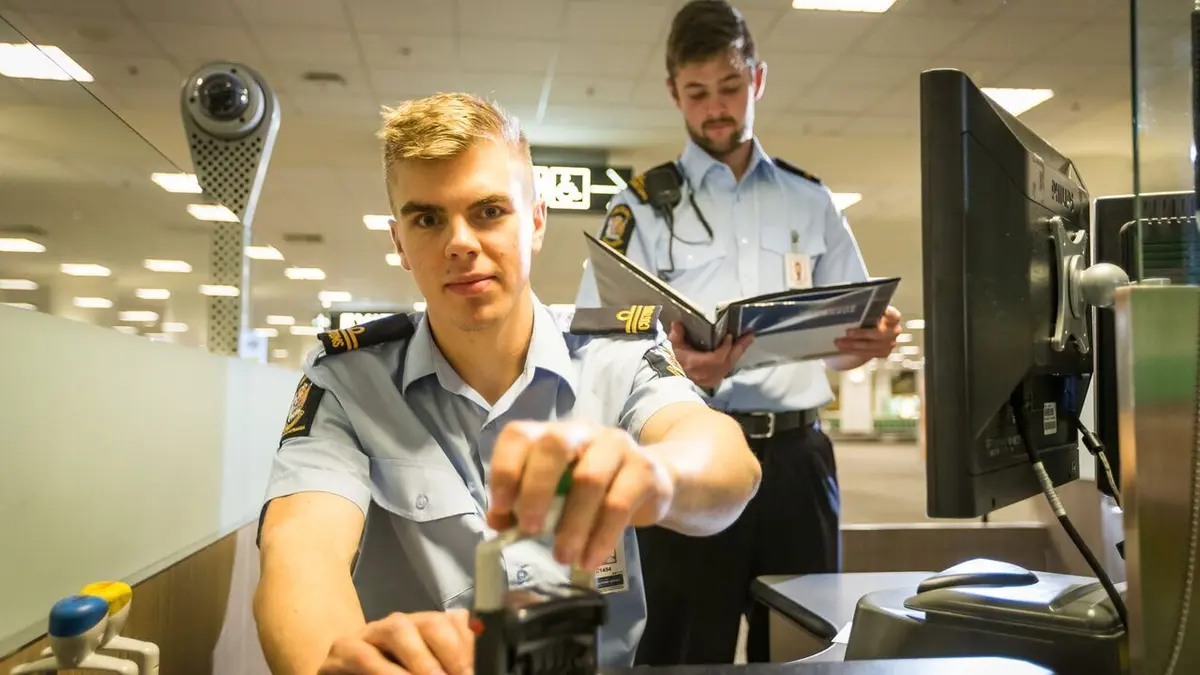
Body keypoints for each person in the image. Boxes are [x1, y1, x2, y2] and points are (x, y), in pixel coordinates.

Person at [252, 91, 763, 675]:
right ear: (399, 243)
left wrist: (658, 474)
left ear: (537, 221)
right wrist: (327, 665)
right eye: (427, 218)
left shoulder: (615, 355)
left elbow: (727, 464)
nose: (461, 242)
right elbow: (299, 552)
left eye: (489, 211)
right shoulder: (349, 382)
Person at [574, 0, 901, 665]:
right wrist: (677, 368)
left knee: (808, 645)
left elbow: (847, 339)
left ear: (757, 79)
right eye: (697, 93)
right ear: (673, 93)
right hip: (690, 455)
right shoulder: (637, 206)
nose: (715, 107)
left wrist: (871, 341)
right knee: (688, 647)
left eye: (729, 87)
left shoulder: (812, 201)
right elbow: (595, 340)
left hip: (798, 462)